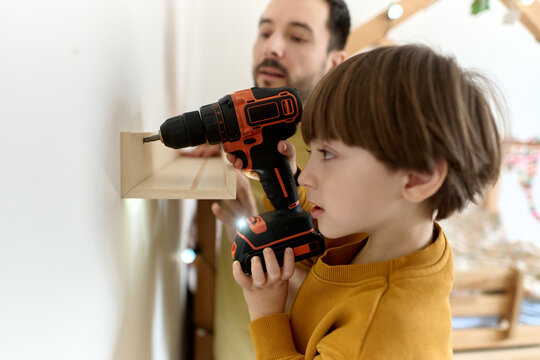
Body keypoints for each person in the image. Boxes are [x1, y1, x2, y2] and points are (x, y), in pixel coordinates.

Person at [231, 44, 505, 358]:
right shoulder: (396, 233)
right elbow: (322, 222)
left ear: (417, 178)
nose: (308, 177)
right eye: (312, 152)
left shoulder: (379, 334)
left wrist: (266, 313)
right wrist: (288, 177)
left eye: (328, 154)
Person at [212, 1, 351, 359]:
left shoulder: (346, 164)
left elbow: (339, 304)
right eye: (265, 31)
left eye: (298, 37)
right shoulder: (239, 141)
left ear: (335, 62)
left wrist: (243, 232)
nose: (273, 47)